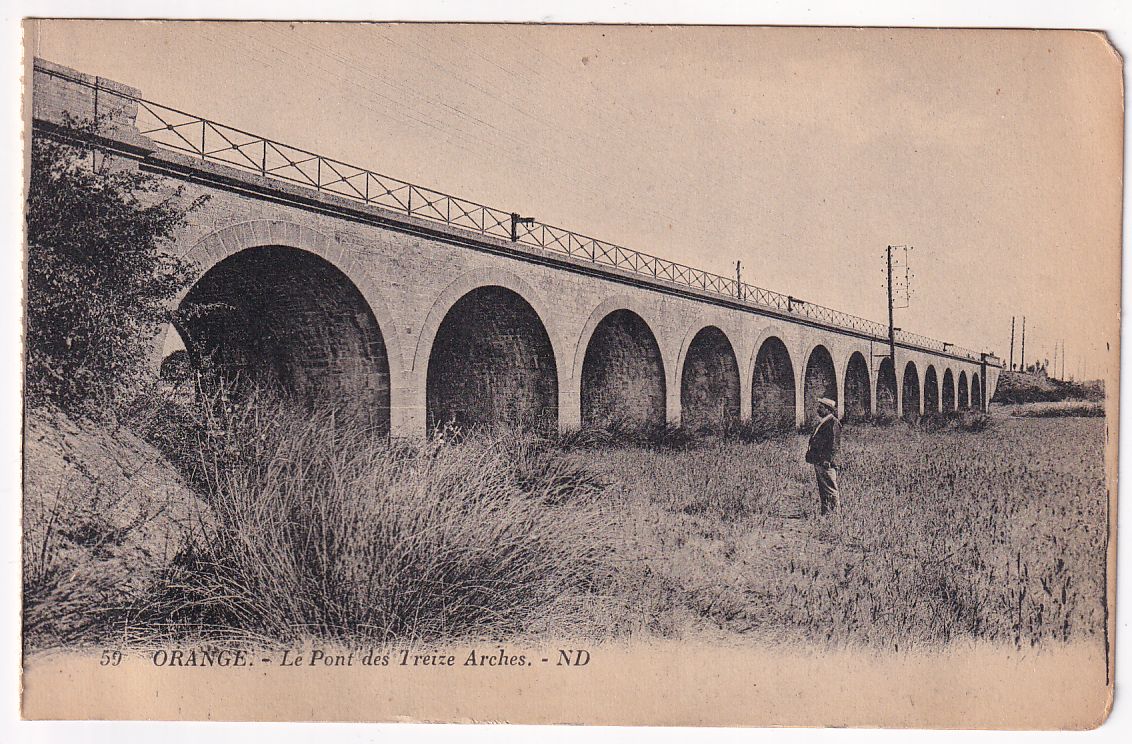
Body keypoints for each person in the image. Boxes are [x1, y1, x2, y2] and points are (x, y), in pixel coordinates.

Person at [804, 397, 842, 516]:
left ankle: (834, 513)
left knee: (830, 488)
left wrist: (827, 460)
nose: (818, 409)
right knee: (824, 488)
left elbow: (834, 444)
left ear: (827, 409)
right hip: (820, 461)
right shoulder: (826, 421)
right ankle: (826, 513)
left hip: (826, 462)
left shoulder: (833, 423)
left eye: (820, 407)